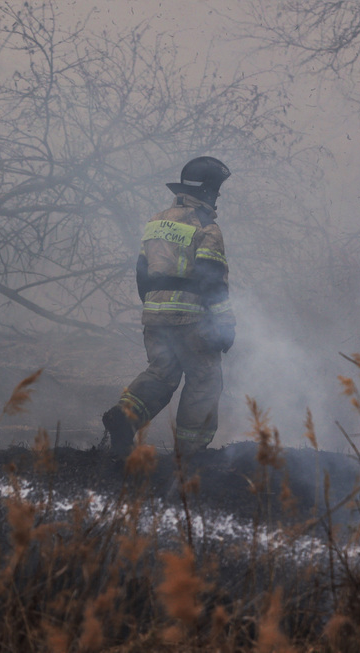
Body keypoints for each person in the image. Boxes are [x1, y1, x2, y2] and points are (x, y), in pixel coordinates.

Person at [101, 156, 236, 458]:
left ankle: (124, 417)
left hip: (155, 315)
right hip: (192, 320)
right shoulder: (207, 228)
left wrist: (155, 306)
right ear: (207, 191)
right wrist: (225, 325)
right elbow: (212, 280)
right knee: (205, 379)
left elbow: (141, 272)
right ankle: (191, 452)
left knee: (162, 373)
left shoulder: (155, 222)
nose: (218, 197)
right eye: (216, 190)